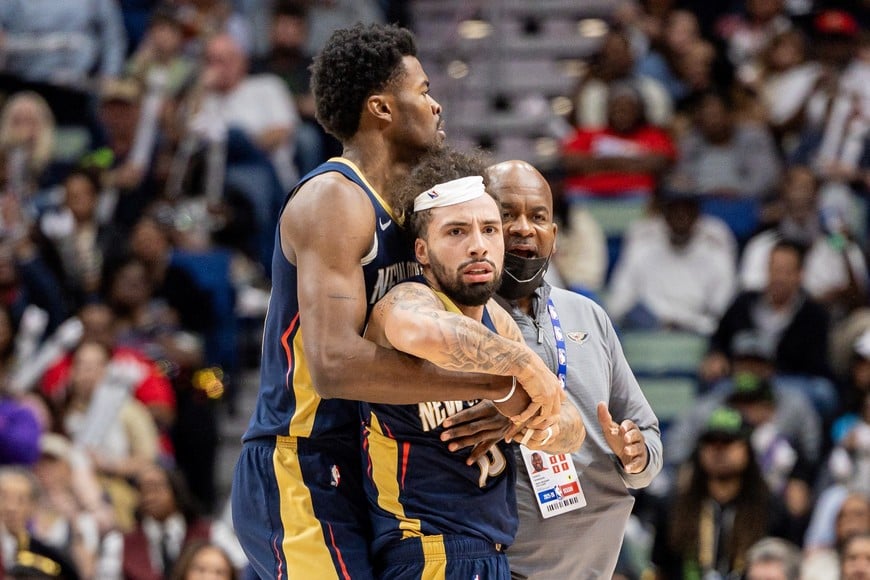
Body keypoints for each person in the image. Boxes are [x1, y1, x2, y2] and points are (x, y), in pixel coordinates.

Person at [230, 23, 561, 580]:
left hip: (363, 467)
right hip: (299, 457)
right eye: (423, 90)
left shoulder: (412, 214)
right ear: (381, 108)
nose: (436, 106)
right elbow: (334, 367)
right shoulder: (336, 198)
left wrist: (521, 389)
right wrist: (491, 383)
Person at [361, 147, 580, 579]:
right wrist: (519, 368)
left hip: (489, 553)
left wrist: (523, 421)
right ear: (422, 251)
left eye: (489, 230)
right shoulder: (406, 299)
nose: (478, 245)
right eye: (456, 232)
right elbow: (421, 331)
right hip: (427, 550)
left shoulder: (497, 320)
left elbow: (571, 427)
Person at [442, 160, 662, 579]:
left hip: (592, 567)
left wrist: (635, 455)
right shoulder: (453, 319)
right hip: (496, 565)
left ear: (554, 237)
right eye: (507, 215)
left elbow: (648, 442)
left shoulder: (588, 315)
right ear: (482, 227)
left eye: (538, 216)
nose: (525, 228)